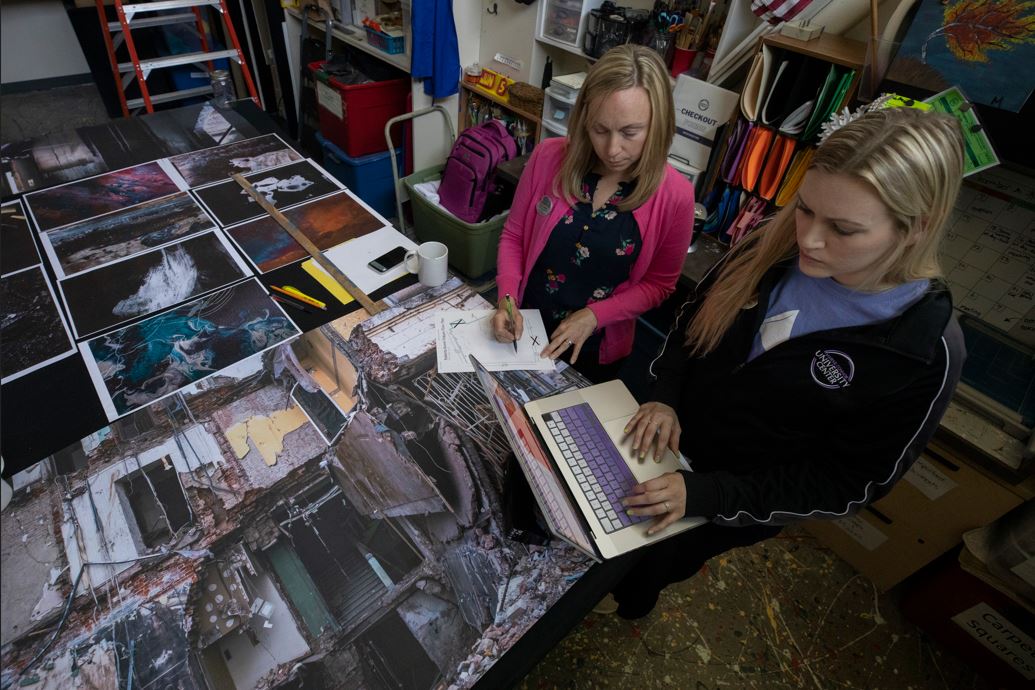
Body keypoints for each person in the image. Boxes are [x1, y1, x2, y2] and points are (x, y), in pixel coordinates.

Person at [612, 107, 966, 619]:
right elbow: (692, 324)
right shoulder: (771, 247)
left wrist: (710, 495)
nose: (809, 239)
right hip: (661, 443)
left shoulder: (923, 349)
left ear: (916, 228)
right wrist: (664, 394)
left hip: (734, 502)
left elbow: (847, 482)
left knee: (656, 563)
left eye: (843, 229)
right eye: (804, 209)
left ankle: (630, 601)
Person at [493, 45, 695, 383]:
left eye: (630, 132)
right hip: (524, 327)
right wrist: (507, 300)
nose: (613, 149)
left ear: (658, 124)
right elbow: (514, 236)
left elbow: (659, 284)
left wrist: (595, 315)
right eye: (599, 130)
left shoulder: (675, 197)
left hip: (593, 349)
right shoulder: (548, 157)